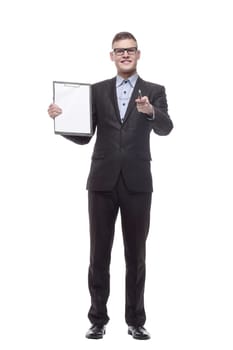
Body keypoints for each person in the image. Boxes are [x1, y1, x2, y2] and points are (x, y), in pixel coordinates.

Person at [48, 31, 173, 340]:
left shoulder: (154, 91)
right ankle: (98, 320)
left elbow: (166, 127)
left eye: (130, 50)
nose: (125, 55)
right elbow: (84, 135)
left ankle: (135, 320)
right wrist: (61, 122)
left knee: (136, 255)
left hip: (138, 183)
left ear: (138, 54)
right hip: (102, 182)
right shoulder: (98, 91)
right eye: (119, 51)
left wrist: (150, 112)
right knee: (98, 255)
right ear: (112, 56)